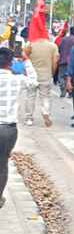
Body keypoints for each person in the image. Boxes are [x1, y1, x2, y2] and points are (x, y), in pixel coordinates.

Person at [0, 46, 38, 208]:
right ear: (11, 63)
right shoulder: (17, 79)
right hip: (8, 130)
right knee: (2, 164)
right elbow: (34, 82)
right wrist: (26, 60)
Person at [23, 35, 58, 127]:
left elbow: (22, 56)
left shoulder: (29, 44)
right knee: (45, 96)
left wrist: (25, 71)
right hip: (46, 74)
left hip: (32, 75)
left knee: (30, 97)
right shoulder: (52, 46)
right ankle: (45, 112)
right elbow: (55, 61)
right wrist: (52, 73)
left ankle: (29, 118)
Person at [57, 26, 74, 97]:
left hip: (63, 60)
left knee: (62, 76)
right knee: (72, 77)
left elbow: (58, 48)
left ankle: (63, 87)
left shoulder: (63, 39)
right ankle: (70, 92)